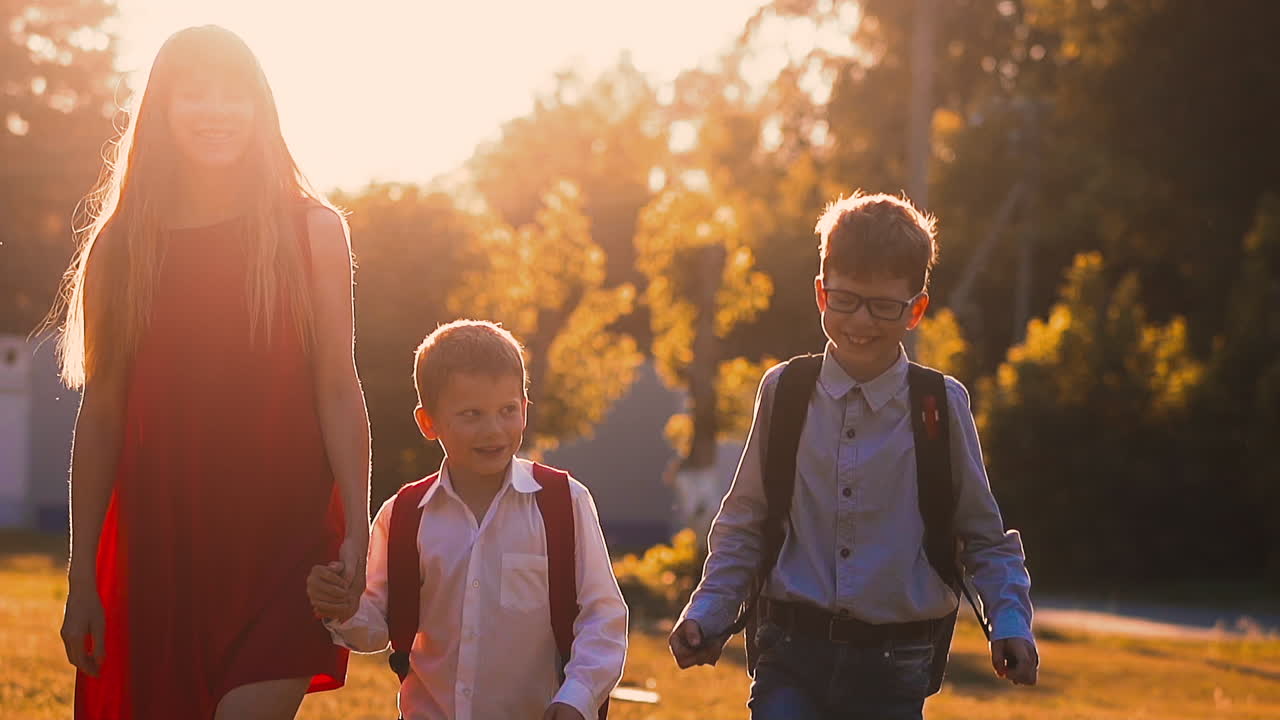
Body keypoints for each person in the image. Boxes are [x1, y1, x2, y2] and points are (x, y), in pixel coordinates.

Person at [50, 25, 371, 720]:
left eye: (233, 94)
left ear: (262, 108)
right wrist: (83, 580)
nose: (215, 110)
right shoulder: (122, 247)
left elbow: (338, 387)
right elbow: (101, 412)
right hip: (163, 550)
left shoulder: (313, 231)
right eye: (193, 94)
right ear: (161, 110)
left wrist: (358, 527)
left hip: (287, 548)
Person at [668, 192, 1038, 719]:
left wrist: (1010, 622)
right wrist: (708, 612)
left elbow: (983, 540)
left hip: (896, 665)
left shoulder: (940, 406)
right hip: (790, 653)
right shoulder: (784, 393)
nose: (860, 320)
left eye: (884, 306)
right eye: (845, 300)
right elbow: (745, 525)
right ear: (821, 294)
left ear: (916, 309)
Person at [307, 320, 627, 720]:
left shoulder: (564, 504)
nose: (493, 429)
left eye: (507, 410)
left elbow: (603, 619)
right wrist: (341, 606)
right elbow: (375, 627)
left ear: (525, 409)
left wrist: (577, 698)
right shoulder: (403, 516)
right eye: (471, 414)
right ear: (429, 423)